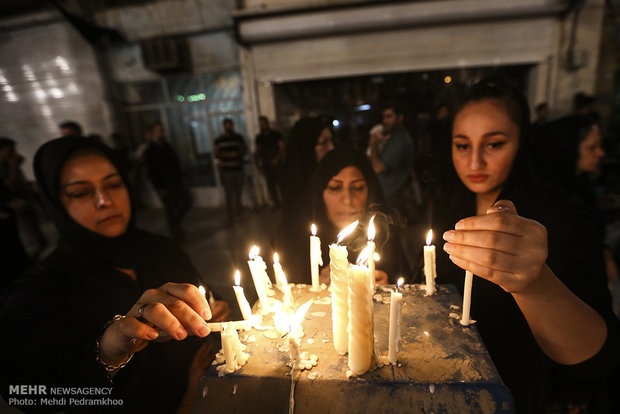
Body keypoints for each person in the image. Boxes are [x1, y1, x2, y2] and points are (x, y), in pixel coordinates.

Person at [0, 137, 231, 413]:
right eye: (80, 193)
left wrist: (211, 309)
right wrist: (108, 350)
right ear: (55, 202)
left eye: (113, 184)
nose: (104, 201)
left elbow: (202, 298)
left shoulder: (162, 249)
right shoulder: (41, 288)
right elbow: (22, 392)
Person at [433, 79, 619, 413]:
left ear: (522, 142)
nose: (474, 163)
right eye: (462, 145)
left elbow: (597, 357)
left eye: (494, 144)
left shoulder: (561, 214)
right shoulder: (445, 205)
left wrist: (535, 285)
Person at [274, 148, 407, 285]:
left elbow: (406, 286)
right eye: (335, 187)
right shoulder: (293, 240)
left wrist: (386, 289)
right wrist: (317, 290)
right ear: (320, 194)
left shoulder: (384, 236)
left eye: (358, 188)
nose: (348, 199)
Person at [143, 121, 192, 240]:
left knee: (186, 201)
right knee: (171, 209)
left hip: (175, 183)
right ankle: (176, 233)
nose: (162, 133)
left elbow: (175, 163)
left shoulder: (167, 146)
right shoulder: (150, 150)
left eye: (163, 130)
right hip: (164, 186)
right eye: (159, 131)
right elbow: (152, 171)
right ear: (154, 133)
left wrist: (181, 178)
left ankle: (176, 226)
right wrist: (159, 188)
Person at [368, 103, 415, 213]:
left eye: (389, 116)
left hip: (392, 199)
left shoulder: (401, 140)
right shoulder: (392, 138)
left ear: (400, 118)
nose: (385, 121)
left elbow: (378, 168)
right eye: (384, 117)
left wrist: (373, 144)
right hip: (387, 197)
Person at [281, 117, 334, 211]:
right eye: (323, 142)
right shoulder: (297, 189)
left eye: (331, 140)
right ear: (306, 148)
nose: (331, 147)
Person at [214, 118, 247, 224]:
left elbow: (243, 150)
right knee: (229, 194)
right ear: (224, 126)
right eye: (227, 125)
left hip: (238, 169)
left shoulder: (238, 138)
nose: (229, 127)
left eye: (230, 125)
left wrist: (236, 154)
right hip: (227, 171)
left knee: (238, 193)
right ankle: (230, 216)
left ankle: (239, 214)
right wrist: (226, 155)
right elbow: (216, 153)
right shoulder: (219, 140)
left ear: (233, 126)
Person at [255, 116, 284, 208]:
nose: (262, 125)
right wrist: (258, 164)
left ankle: (286, 202)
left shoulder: (275, 134)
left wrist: (277, 158)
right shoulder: (259, 137)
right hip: (266, 163)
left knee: (281, 184)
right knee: (271, 185)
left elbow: (282, 147)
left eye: (263, 123)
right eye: (260, 124)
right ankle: (276, 203)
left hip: (276, 163)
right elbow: (258, 150)